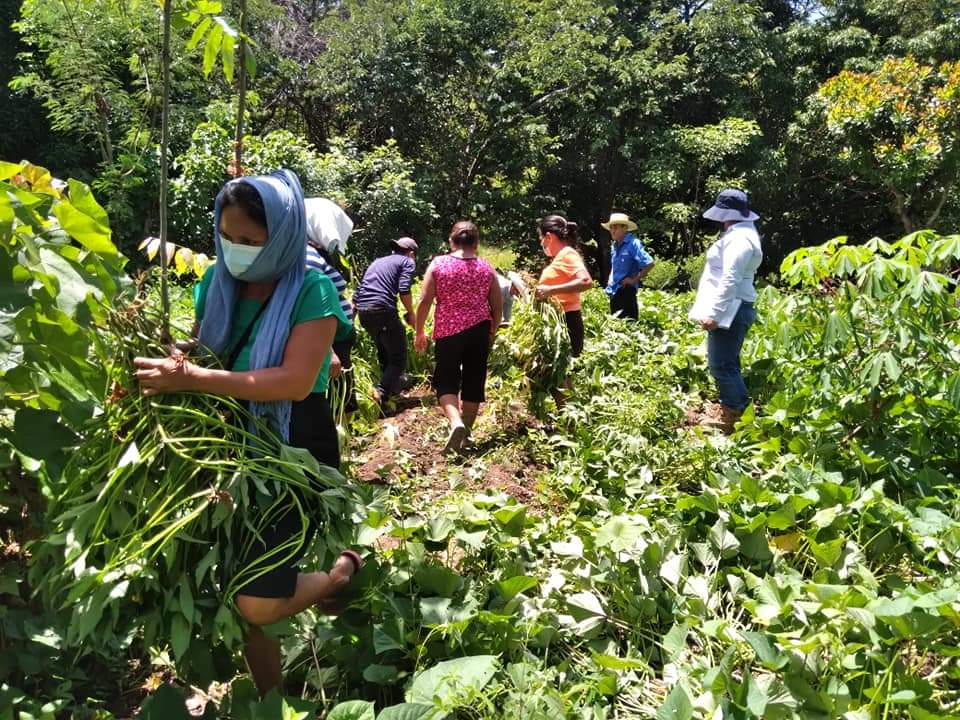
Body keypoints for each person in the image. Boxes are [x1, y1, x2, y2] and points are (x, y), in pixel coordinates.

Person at [132, 170, 361, 696]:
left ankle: (339, 574)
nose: (236, 251)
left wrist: (194, 379)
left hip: (292, 448)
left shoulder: (313, 290)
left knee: (253, 596)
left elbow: (296, 382)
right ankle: (270, 699)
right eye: (228, 238)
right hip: (228, 444)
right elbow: (205, 349)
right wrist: (174, 362)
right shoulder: (215, 282)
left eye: (250, 241)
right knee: (239, 582)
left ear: (280, 235)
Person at [414, 221, 503, 453]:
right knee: (474, 380)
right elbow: (497, 304)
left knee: (446, 380)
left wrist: (419, 331)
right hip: (479, 330)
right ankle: (467, 436)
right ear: (476, 243)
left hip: (448, 331)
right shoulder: (486, 268)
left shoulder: (439, 264)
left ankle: (456, 423)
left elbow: (424, 301)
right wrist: (492, 330)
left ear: (451, 241)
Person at [688, 188, 763, 434]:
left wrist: (715, 313)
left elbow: (730, 278)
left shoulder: (739, 239)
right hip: (734, 306)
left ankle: (735, 414)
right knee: (728, 362)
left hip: (731, 308)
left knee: (721, 365)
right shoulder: (741, 234)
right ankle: (736, 408)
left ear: (726, 214)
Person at [304, 197, 358, 420]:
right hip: (329, 343)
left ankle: (343, 441)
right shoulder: (306, 256)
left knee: (340, 399)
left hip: (335, 340)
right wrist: (328, 351)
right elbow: (308, 307)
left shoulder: (314, 252)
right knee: (333, 399)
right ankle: (337, 444)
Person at [353, 237, 418, 413]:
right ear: (411, 253)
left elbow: (360, 290)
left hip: (364, 312)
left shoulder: (377, 262)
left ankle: (389, 395)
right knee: (398, 358)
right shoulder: (407, 261)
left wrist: (351, 316)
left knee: (385, 352)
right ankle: (380, 392)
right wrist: (411, 313)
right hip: (382, 310)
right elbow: (404, 288)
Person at [534, 214, 592, 357]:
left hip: (568, 321)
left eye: (541, 238)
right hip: (559, 321)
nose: (541, 243)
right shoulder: (558, 258)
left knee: (565, 375)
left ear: (549, 237)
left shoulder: (567, 254)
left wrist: (550, 290)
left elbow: (585, 281)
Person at [602, 212, 655, 319]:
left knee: (629, 326)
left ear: (625, 228)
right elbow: (615, 265)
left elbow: (649, 263)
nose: (612, 230)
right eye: (611, 227)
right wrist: (610, 279)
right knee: (616, 327)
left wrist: (634, 280)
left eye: (615, 227)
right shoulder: (614, 246)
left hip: (627, 291)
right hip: (614, 290)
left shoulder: (633, 244)